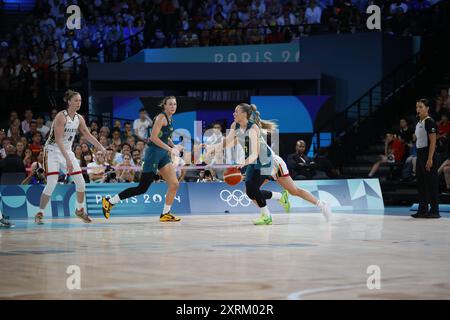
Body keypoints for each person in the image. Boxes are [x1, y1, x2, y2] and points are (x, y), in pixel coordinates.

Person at [207, 103, 330, 225]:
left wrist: (243, 163)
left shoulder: (253, 128)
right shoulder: (235, 126)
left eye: (236, 111)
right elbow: (228, 141)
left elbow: (255, 153)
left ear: (244, 114)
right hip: (256, 163)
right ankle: (277, 201)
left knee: (292, 191)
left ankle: (320, 204)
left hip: (268, 161)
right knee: (250, 191)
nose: (233, 114)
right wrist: (212, 147)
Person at [102, 96, 182, 222]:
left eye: (175, 104)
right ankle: (110, 201)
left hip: (162, 156)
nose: (173, 107)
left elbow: (165, 137)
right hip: (153, 155)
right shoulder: (161, 117)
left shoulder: (170, 118)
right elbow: (154, 138)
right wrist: (171, 150)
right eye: (170, 104)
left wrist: (174, 146)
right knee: (142, 188)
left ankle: (165, 214)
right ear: (164, 106)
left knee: (174, 184)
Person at [34, 90, 106, 225]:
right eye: (76, 100)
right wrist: (67, 159)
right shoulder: (61, 117)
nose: (78, 103)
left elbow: (88, 135)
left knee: (81, 182)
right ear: (69, 102)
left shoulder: (79, 118)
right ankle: (40, 212)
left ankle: (79, 210)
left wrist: (101, 147)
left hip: (67, 151)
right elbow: (59, 140)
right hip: (52, 151)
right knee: (51, 183)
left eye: (80, 100)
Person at [412, 98, 440, 219]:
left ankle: (434, 211)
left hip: (428, 153)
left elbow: (433, 141)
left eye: (421, 107)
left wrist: (430, 159)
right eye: (417, 107)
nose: (418, 109)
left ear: (427, 108)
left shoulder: (430, 122)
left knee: (431, 183)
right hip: (420, 154)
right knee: (421, 183)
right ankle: (422, 210)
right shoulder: (418, 122)